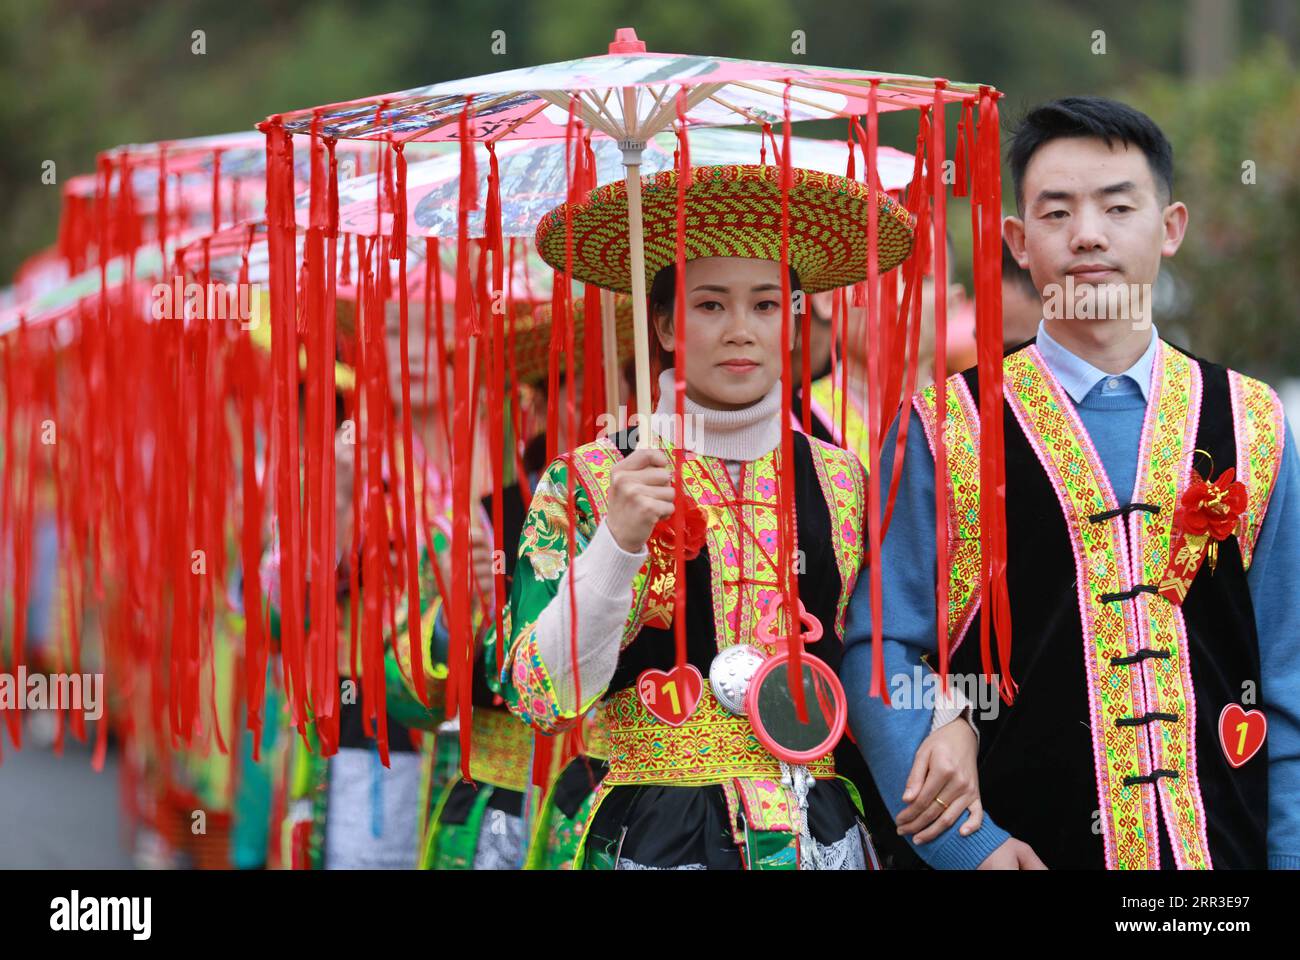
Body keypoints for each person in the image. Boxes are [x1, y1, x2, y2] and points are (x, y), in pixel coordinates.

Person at [845, 96, 1300, 870]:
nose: (1088, 234)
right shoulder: (947, 426)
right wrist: (970, 848)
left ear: (1170, 227)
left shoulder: (1253, 422)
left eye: (1118, 206)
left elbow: (1285, 673)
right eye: (1056, 213)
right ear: (1019, 242)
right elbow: (880, 645)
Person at [500, 163, 984, 870]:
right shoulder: (588, 479)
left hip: (817, 828)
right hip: (653, 832)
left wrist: (951, 718)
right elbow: (540, 696)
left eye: (764, 305)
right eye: (709, 306)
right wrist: (618, 541)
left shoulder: (841, 477)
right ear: (663, 325)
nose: (740, 331)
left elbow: (877, 646)